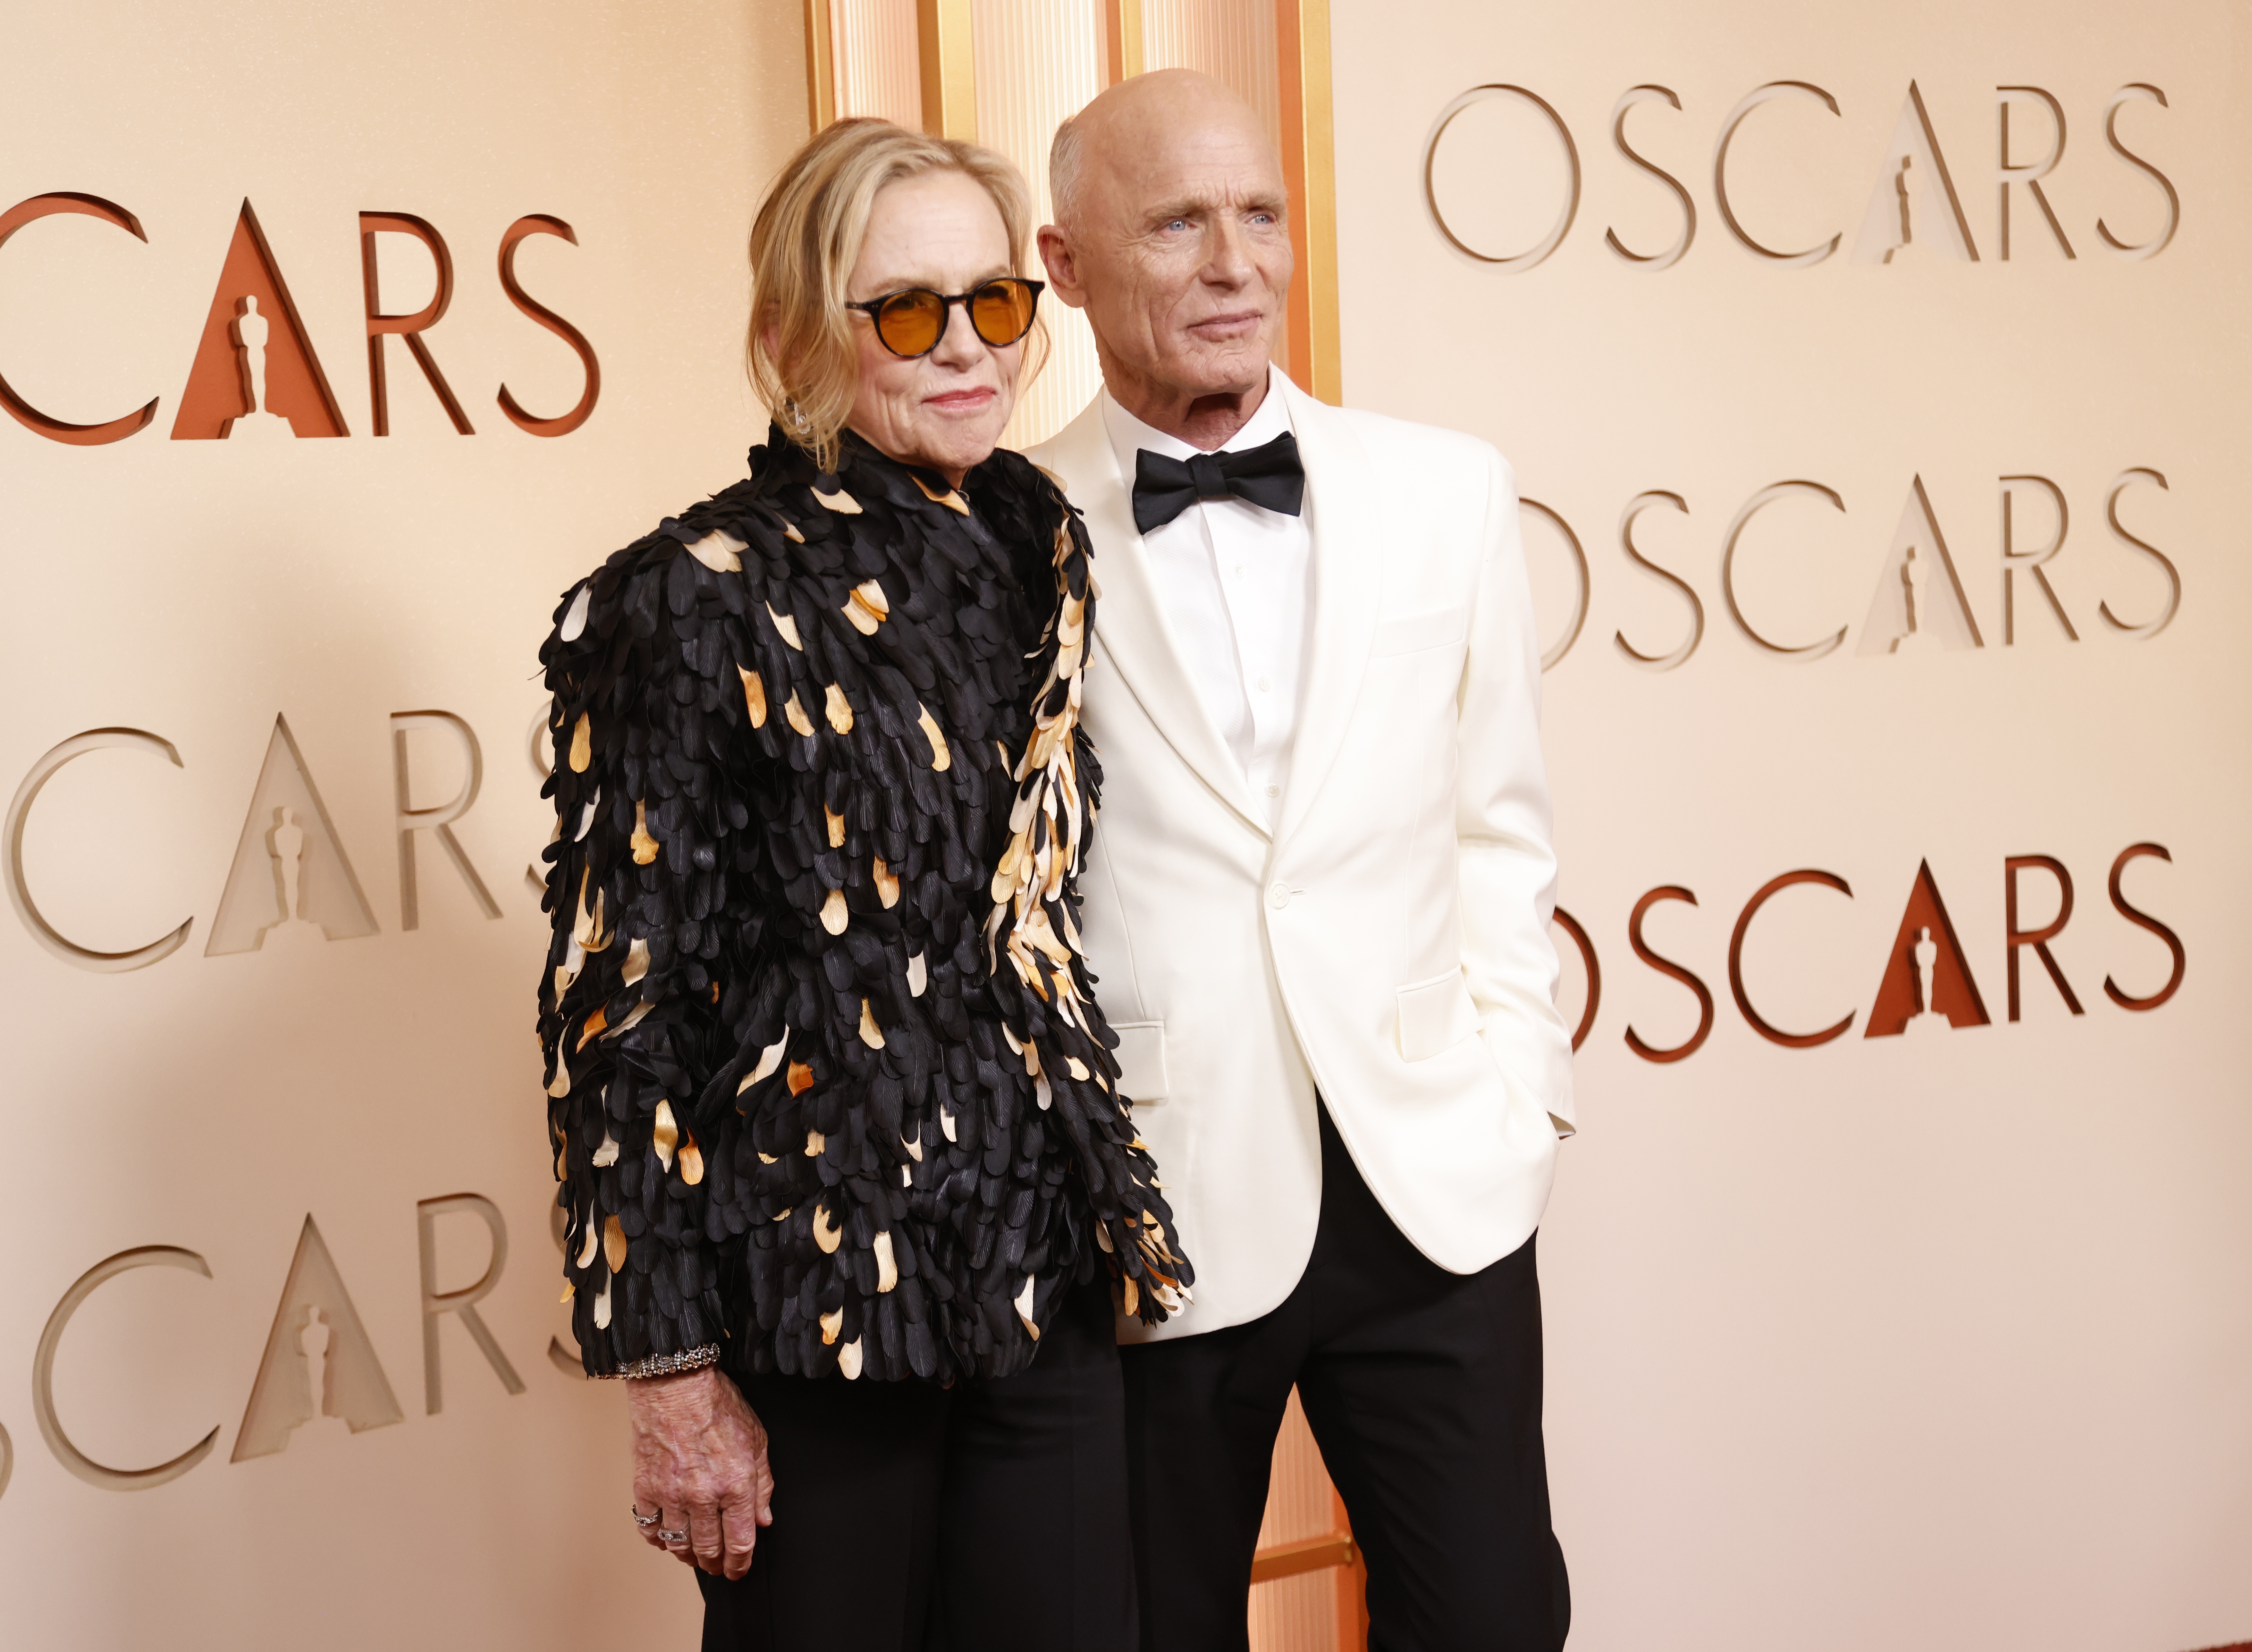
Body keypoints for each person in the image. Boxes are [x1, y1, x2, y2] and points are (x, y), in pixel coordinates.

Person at [535, 116, 1190, 1652]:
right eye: (904, 311)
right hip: (810, 1307)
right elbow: (617, 1004)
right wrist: (672, 1371)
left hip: (1044, 1284)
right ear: (790, 335)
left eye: (993, 301)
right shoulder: (688, 596)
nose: (964, 349)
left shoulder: (1037, 542)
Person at [1029, 70, 1575, 1650]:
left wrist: (1518, 1091)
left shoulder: (1445, 487)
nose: (1233, 263)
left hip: (1429, 1179)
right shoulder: (999, 528)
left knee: (1491, 1620)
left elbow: (1500, 825)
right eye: (1177, 222)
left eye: (1259, 212)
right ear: (1065, 265)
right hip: (1146, 1207)